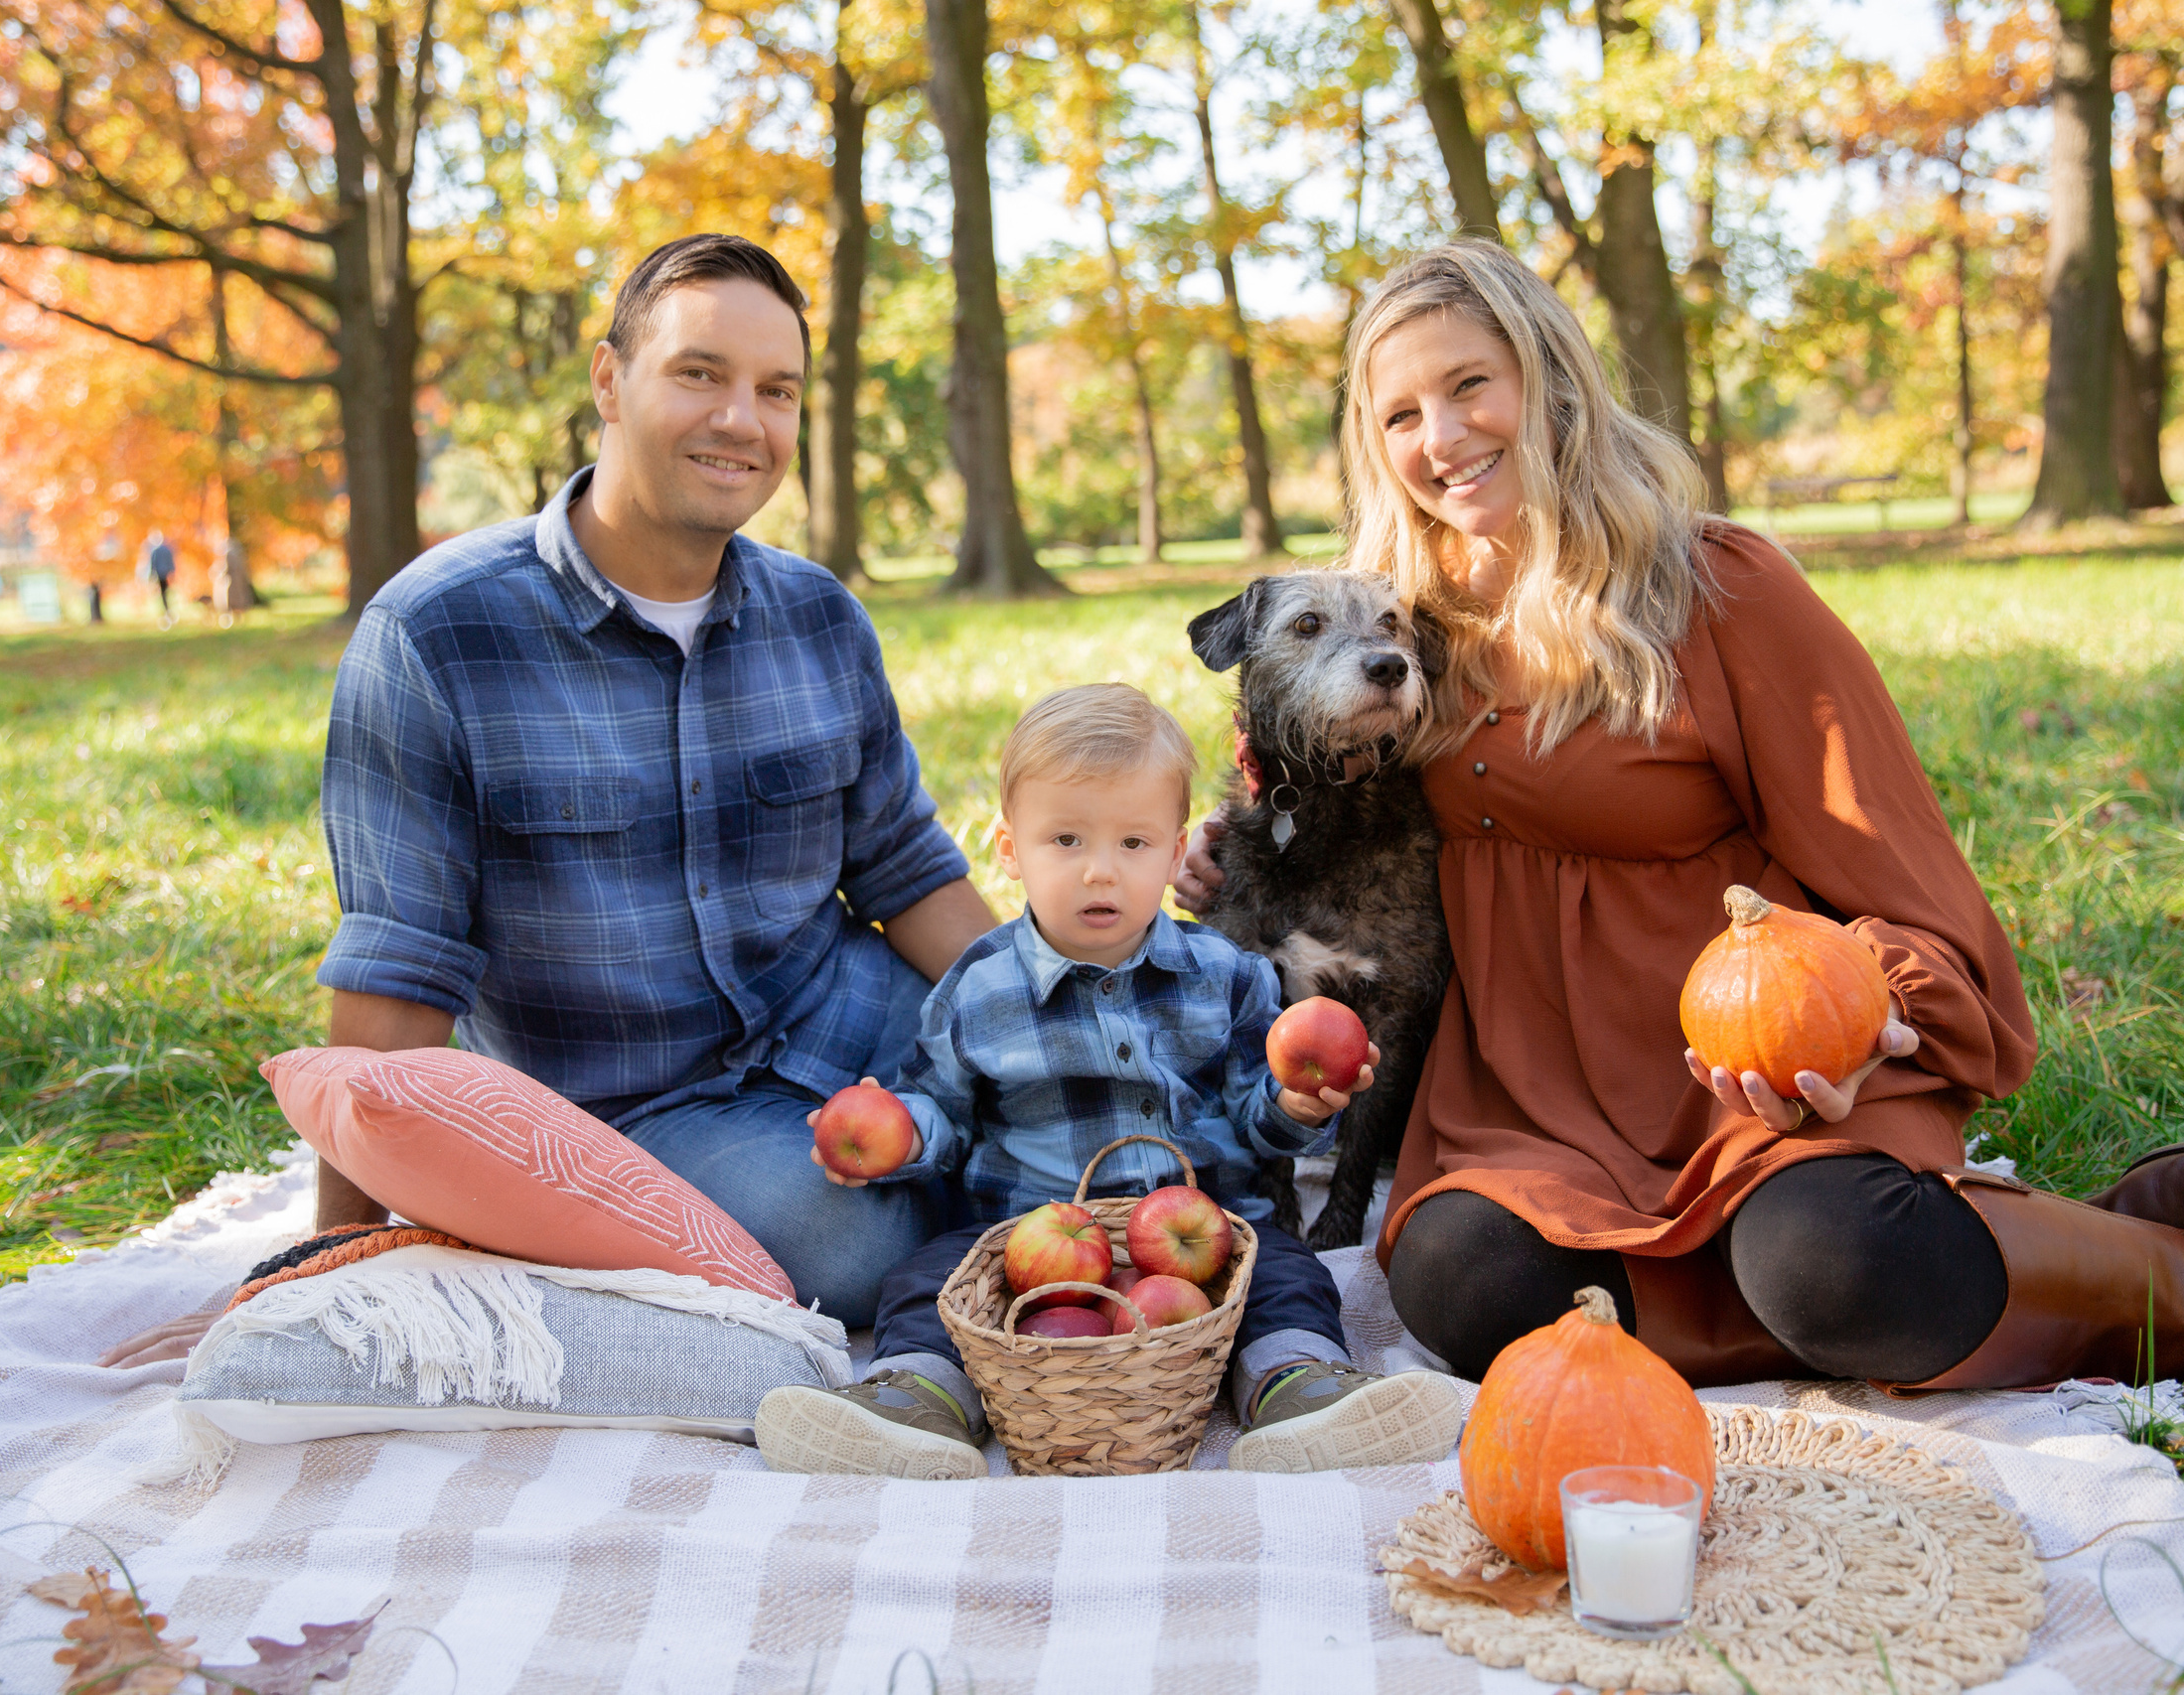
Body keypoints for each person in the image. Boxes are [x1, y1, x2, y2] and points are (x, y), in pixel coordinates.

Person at [1175, 239, 2184, 1394]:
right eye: (1398, 415)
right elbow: (1297, 783)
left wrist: (1864, 1030)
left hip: (1756, 1063)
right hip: (1534, 1099)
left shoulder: (1715, 588)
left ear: (1550, 383)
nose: (1441, 438)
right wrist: (1229, 854)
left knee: (1831, 1262)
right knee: (1465, 1292)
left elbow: (1893, 865)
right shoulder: (1399, 630)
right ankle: (2025, 1246)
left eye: (1470, 384)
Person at [100, 233, 996, 1368]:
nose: (742, 420)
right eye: (700, 373)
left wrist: (1052, 1011)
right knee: (842, 1242)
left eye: (776, 392)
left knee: (1118, 1094)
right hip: (635, 1105)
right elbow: (397, 964)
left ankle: (1006, 1188)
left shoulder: (820, 616)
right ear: (610, 381)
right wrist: (335, 1258)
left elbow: (907, 873)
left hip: (845, 1014)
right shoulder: (436, 633)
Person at [753, 685, 1462, 1478]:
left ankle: (1299, 1390)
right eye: (1065, 840)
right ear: (1010, 849)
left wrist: (1294, 1104)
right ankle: (915, 1403)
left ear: (1175, 851)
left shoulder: (1223, 973)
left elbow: (1252, 1112)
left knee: (1287, 1272)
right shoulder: (978, 987)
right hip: (1029, 1243)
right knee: (928, 1278)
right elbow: (945, 1111)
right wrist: (902, 1133)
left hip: (1207, 1239)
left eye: (1133, 843)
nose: (1101, 871)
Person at [141, 530, 175, 625]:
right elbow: (170, 563)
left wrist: (151, 576)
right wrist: (172, 572)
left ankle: (166, 611)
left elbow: (153, 564)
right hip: (166, 574)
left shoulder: (155, 551)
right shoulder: (167, 549)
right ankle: (167, 611)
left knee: (163, 594)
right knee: (165, 594)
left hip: (161, 575)